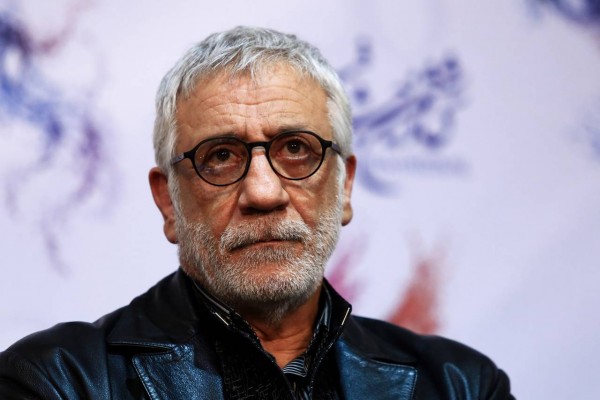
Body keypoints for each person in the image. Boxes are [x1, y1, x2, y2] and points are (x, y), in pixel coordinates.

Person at [0, 26, 514, 399]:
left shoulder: (461, 385)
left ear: (345, 186)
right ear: (168, 202)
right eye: (221, 156)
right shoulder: (56, 382)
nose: (264, 192)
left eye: (296, 149)